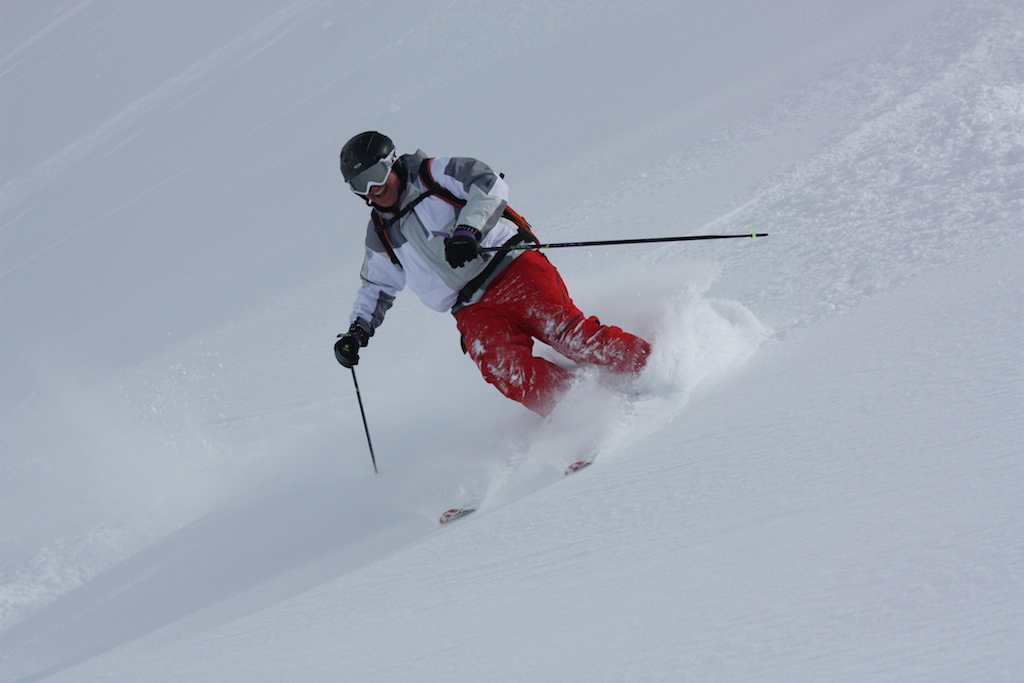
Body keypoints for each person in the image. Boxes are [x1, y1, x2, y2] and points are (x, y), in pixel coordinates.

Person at [334, 131, 651, 416]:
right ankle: (584, 414)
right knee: (506, 370)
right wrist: (356, 332)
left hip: (511, 267)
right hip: (471, 307)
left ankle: (651, 369)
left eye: (376, 175)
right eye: (360, 186)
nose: (373, 190)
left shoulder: (433, 174)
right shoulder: (381, 232)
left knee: (567, 336)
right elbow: (375, 286)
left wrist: (468, 230)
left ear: (392, 163)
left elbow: (488, 184)